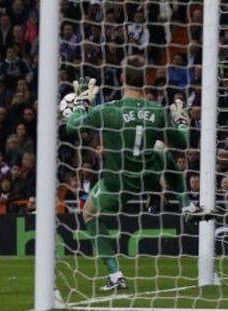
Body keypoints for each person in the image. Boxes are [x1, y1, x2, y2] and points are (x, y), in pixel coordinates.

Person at [63, 55, 200, 291]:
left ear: (122, 77)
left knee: (89, 215)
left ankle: (116, 275)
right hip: (149, 176)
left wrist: (80, 104)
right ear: (145, 78)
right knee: (161, 149)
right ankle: (186, 204)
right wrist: (181, 121)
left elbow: (72, 127)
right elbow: (182, 142)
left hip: (117, 182)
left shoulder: (106, 110)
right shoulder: (158, 111)